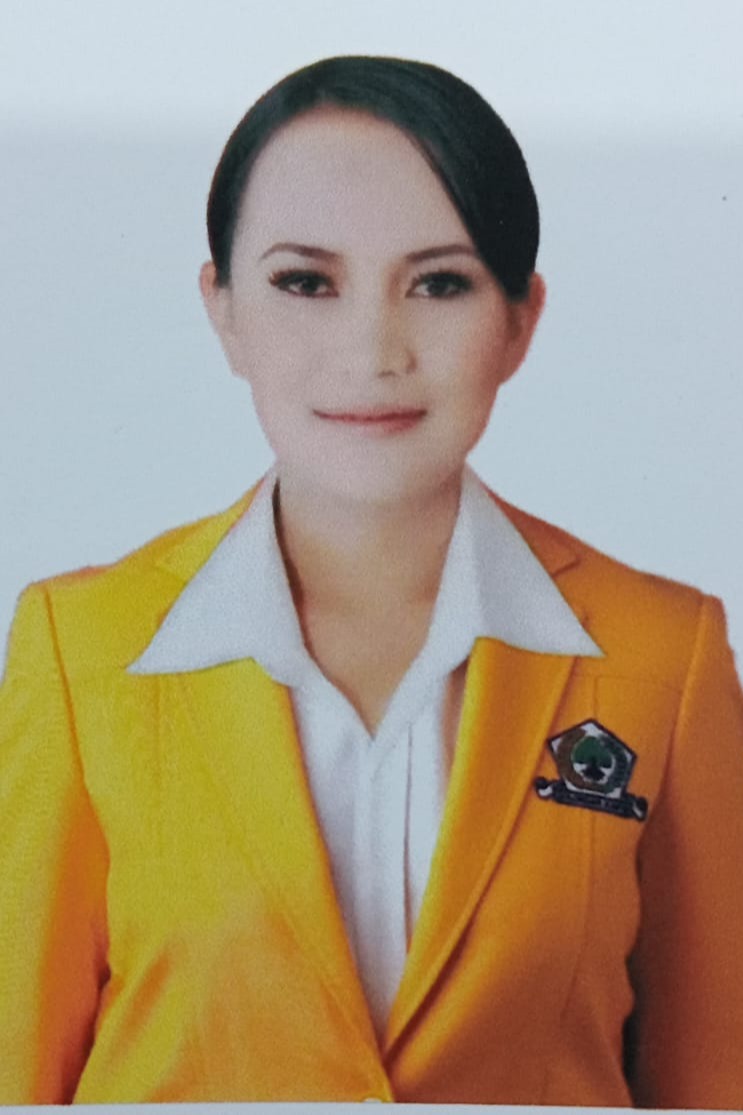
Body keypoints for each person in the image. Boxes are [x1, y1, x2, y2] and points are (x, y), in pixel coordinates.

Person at [1, 54, 742, 1107]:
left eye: (438, 283)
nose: (371, 350)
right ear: (223, 309)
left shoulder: (662, 654)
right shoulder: (80, 649)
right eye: (305, 282)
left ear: (519, 319)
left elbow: (714, 1080)